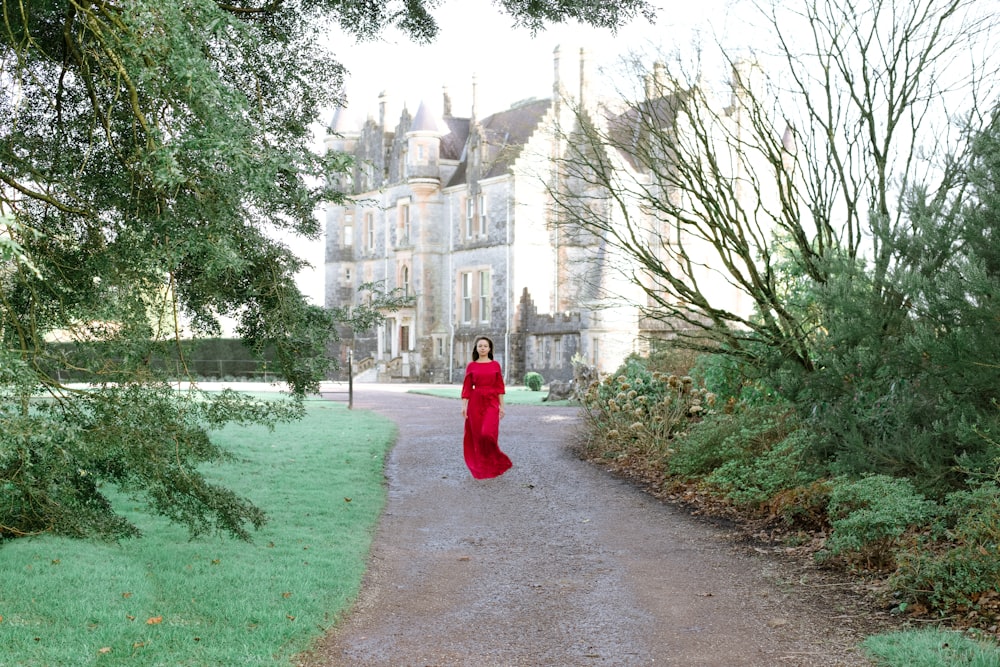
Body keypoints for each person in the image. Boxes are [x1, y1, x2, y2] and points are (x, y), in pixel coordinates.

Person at [460, 336, 513, 479]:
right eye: (480, 346)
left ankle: (496, 461)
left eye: (485, 346)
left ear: (489, 349)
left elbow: (499, 387)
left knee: (487, 433)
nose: (482, 348)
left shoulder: (495, 365)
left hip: (491, 401)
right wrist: (464, 406)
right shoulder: (471, 366)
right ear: (476, 349)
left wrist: (502, 406)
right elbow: (467, 387)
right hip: (475, 402)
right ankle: (481, 465)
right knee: (477, 436)